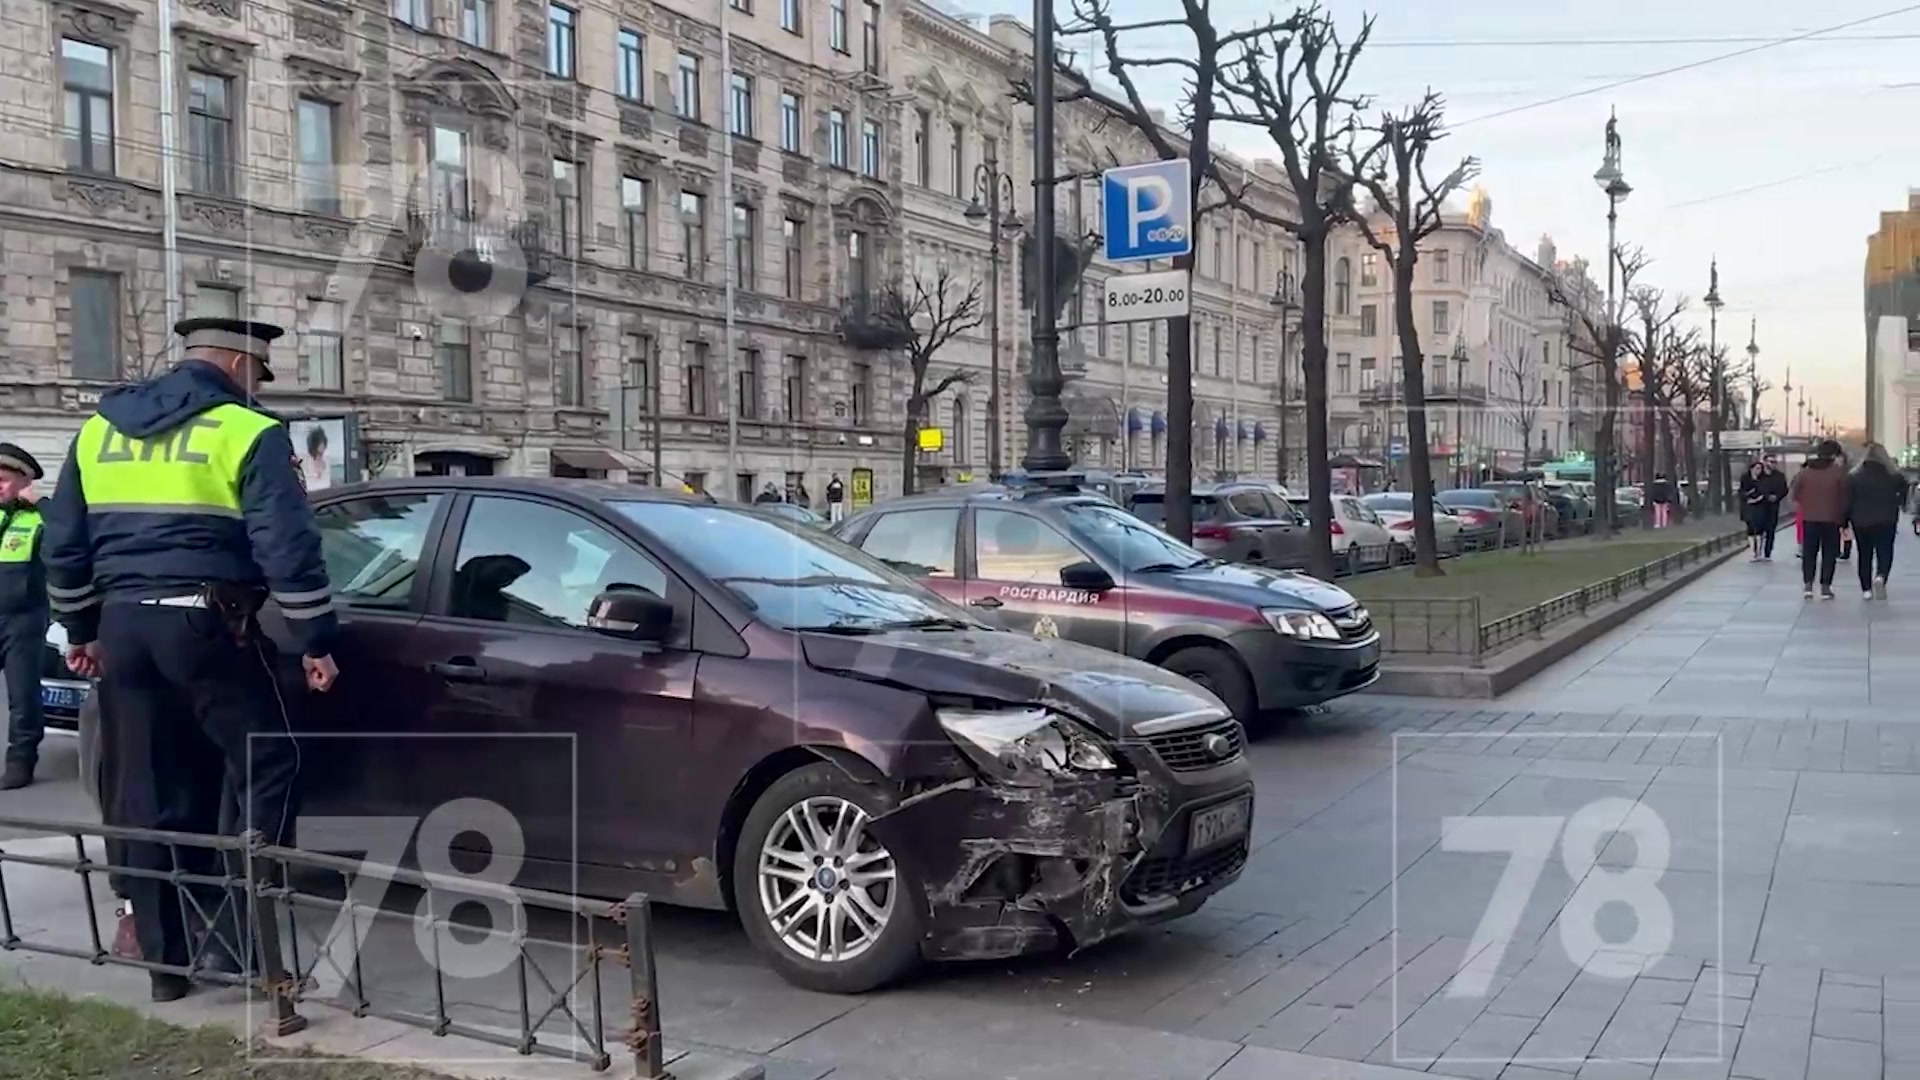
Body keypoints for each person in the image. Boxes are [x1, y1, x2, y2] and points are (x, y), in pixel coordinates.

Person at [39, 317, 341, 1002]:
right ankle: (250, 947)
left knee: (146, 792)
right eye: (257, 376)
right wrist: (315, 639)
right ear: (240, 364)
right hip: (208, 624)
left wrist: (79, 629)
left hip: (121, 629)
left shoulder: (98, 429)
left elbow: (65, 542)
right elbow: (287, 546)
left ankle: (166, 972)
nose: (256, 387)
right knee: (269, 760)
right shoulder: (248, 430)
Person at [0, 444, 47, 789]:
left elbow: (67, 541)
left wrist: (41, 504)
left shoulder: (40, 518)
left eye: (2, 480)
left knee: (23, 696)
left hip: (23, 619)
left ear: (23, 481)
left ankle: (20, 762)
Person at [1789, 438, 1850, 600]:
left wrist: (1807, 504)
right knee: (1829, 554)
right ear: (1835, 455)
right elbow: (1845, 498)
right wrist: (1844, 520)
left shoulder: (1805, 472)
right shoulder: (1838, 473)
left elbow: (1794, 494)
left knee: (1809, 553)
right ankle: (1825, 587)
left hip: (1809, 518)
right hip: (1832, 520)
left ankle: (1808, 585)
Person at [1848, 441, 1908, 600]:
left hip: (1861, 521)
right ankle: (1881, 576)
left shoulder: (1854, 476)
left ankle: (1866, 590)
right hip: (1886, 519)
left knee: (1864, 555)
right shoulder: (1894, 476)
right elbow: (1904, 490)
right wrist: (1898, 503)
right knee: (1885, 551)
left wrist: (1845, 520)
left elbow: (1848, 499)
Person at [1757, 454, 1788, 559]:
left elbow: (1784, 489)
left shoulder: (1779, 476)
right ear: (1765, 462)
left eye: (1775, 462)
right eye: (1771, 461)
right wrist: (1766, 496)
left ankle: (1767, 552)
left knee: (1771, 529)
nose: (1773, 464)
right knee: (1758, 528)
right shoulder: (1759, 475)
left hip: (1774, 505)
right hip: (1760, 505)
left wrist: (1777, 497)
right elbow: (1755, 487)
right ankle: (1757, 551)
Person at [1738, 460, 1770, 561]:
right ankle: (1752, 551)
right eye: (1756, 468)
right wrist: (1748, 498)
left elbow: (1766, 491)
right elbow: (1741, 491)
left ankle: (1759, 552)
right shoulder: (1745, 478)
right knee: (1751, 528)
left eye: (1760, 469)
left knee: (1760, 529)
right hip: (1749, 506)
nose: (1758, 471)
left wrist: (1760, 497)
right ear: (1751, 469)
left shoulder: (1764, 479)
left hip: (1761, 506)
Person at [298, 424, 332, 492]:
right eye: (320, 443)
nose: (322, 445)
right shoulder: (304, 462)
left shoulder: (327, 461)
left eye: (323, 443)